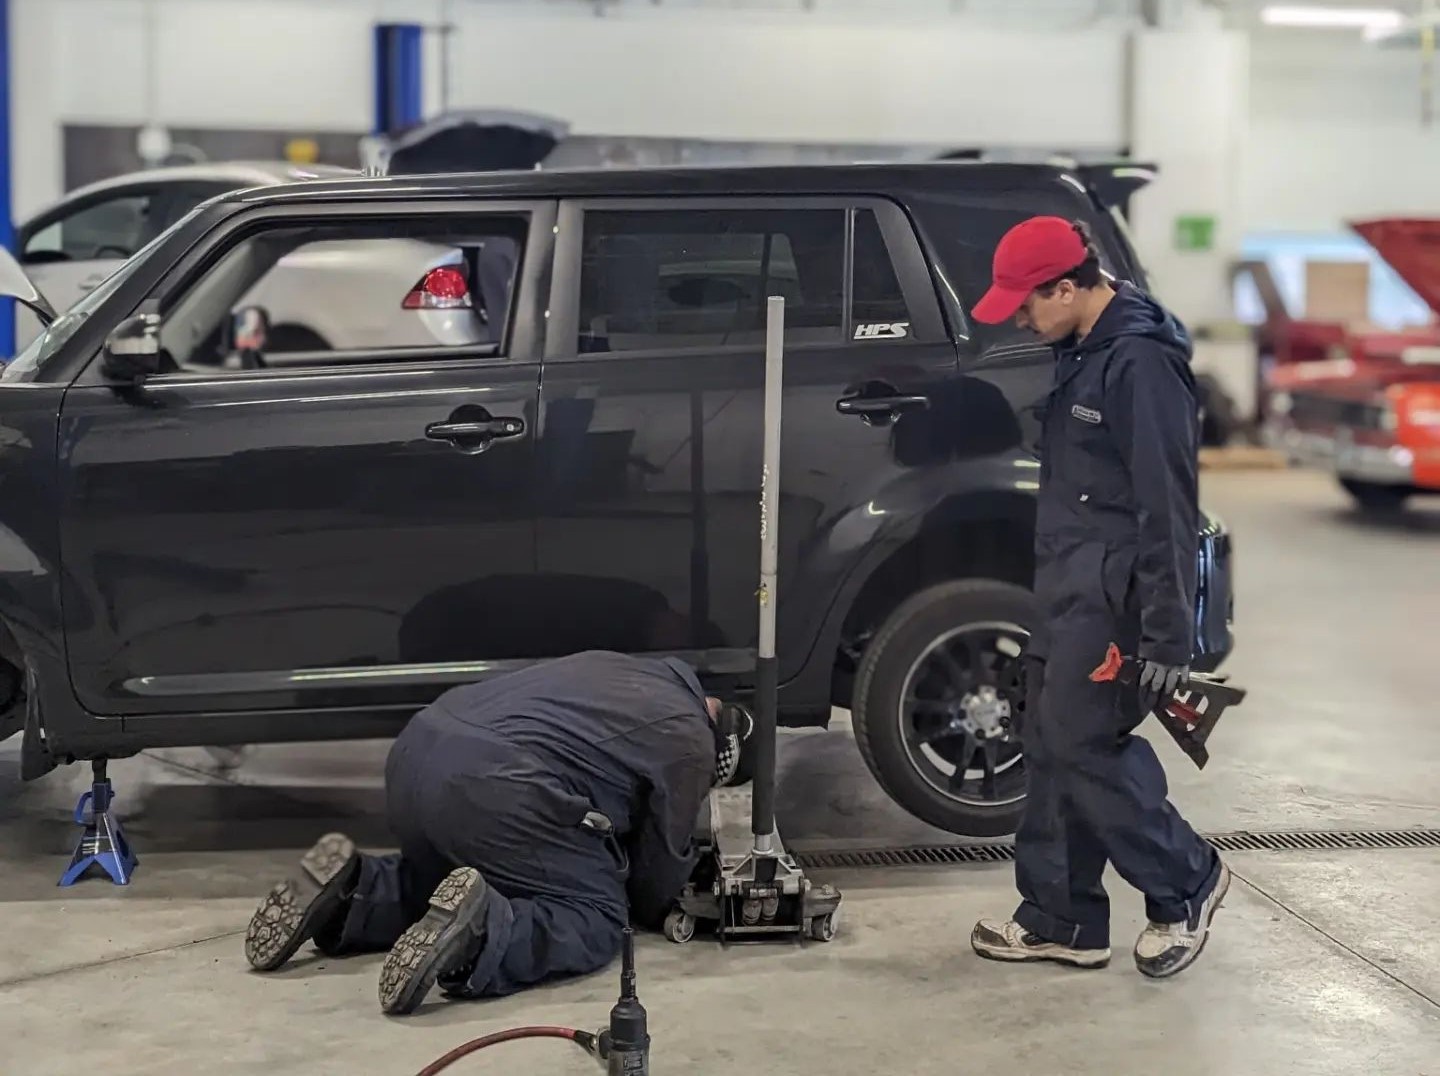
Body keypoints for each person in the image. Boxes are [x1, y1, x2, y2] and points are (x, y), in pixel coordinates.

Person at [966, 217, 1229, 979]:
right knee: (1048, 743)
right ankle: (1063, 917)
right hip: (1068, 586)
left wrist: (1167, 636)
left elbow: (1168, 506)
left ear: (1070, 286)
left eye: (1026, 302)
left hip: (1117, 602)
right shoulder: (1083, 353)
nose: (1019, 316)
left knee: (1084, 743)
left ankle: (1186, 881)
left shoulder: (1140, 365)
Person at [243, 650, 747, 1014]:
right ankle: (482, 935)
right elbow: (653, 884)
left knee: (453, 877)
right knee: (594, 914)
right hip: (494, 784)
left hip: (417, 750)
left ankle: (354, 893)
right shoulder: (692, 742)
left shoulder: (638, 670)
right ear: (723, 744)